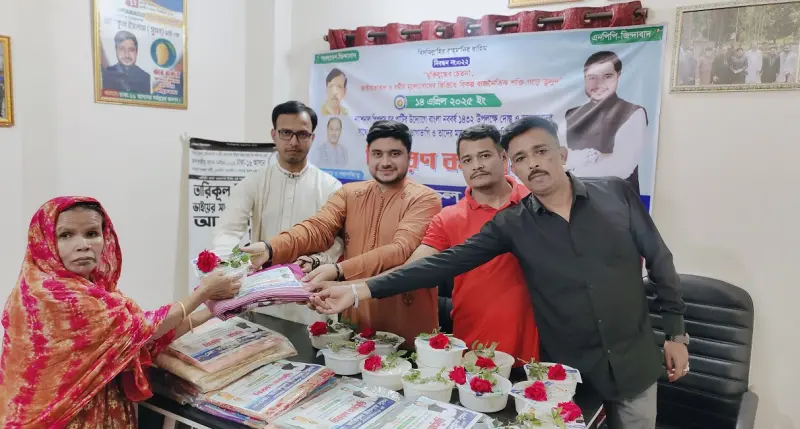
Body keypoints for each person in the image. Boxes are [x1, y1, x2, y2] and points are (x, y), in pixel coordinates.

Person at [309, 117, 689, 429]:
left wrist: (675, 332)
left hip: (634, 363)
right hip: (567, 373)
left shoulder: (617, 194)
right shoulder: (514, 224)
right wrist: (357, 290)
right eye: (522, 157)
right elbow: (441, 263)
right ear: (514, 164)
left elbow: (660, 260)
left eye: (541, 151)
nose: (533, 163)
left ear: (561, 154)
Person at [0, 197, 241, 428]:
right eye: (65, 235)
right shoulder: (49, 293)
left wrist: (214, 308)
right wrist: (203, 293)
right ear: (44, 242)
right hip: (65, 419)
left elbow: (140, 337)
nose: (82, 245)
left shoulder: (94, 288)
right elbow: (144, 329)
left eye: (92, 233)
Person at [315, 124, 539, 363]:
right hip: (472, 345)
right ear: (460, 165)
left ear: (503, 157)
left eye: (484, 155)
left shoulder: (536, 204)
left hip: (538, 342)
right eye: (467, 159)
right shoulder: (449, 218)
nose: (477, 165)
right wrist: (352, 289)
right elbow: (412, 270)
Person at [241, 120, 442, 348]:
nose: (385, 162)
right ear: (367, 155)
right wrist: (270, 248)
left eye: (394, 154)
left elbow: (400, 250)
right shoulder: (349, 193)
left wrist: (339, 270)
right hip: (354, 319)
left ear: (410, 157)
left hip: (406, 322)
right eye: (377, 154)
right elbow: (318, 228)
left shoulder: (425, 199)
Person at [213, 101, 343, 325]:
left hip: (311, 298)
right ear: (274, 135)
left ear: (312, 137)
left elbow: (338, 242)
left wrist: (315, 261)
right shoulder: (254, 183)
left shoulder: (330, 187)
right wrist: (226, 272)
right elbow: (228, 231)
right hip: (261, 299)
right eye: (286, 133)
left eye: (302, 134)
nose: (293, 141)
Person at [565, 51, 647, 194]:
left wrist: (572, 169)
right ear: (584, 79)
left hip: (616, 199)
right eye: (592, 78)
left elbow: (621, 167)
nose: (599, 84)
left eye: (607, 76)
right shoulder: (571, 114)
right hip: (576, 198)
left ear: (618, 76)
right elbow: (561, 157)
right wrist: (596, 156)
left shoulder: (633, 112)